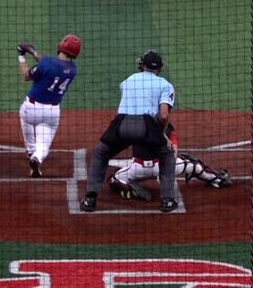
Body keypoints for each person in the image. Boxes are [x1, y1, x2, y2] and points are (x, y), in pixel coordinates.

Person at [80, 50, 178, 213]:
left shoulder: (127, 81)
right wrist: (160, 136)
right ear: (160, 68)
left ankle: (90, 199)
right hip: (146, 126)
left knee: (101, 153)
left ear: (142, 66)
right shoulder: (165, 84)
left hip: (122, 123)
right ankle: (167, 200)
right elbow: (163, 115)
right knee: (167, 154)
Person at [17, 35, 81, 177]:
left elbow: (26, 76)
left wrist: (22, 55)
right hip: (51, 113)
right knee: (44, 145)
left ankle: (30, 149)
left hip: (31, 109)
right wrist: (33, 52)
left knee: (25, 120)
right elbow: (49, 63)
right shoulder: (72, 70)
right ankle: (37, 157)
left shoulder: (46, 64)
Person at [108, 133, 232, 202]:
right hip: (162, 167)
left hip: (137, 168)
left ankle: (127, 187)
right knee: (194, 164)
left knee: (114, 177)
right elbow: (173, 150)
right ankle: (219, 180)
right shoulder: (163, 122)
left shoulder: (135, 122)